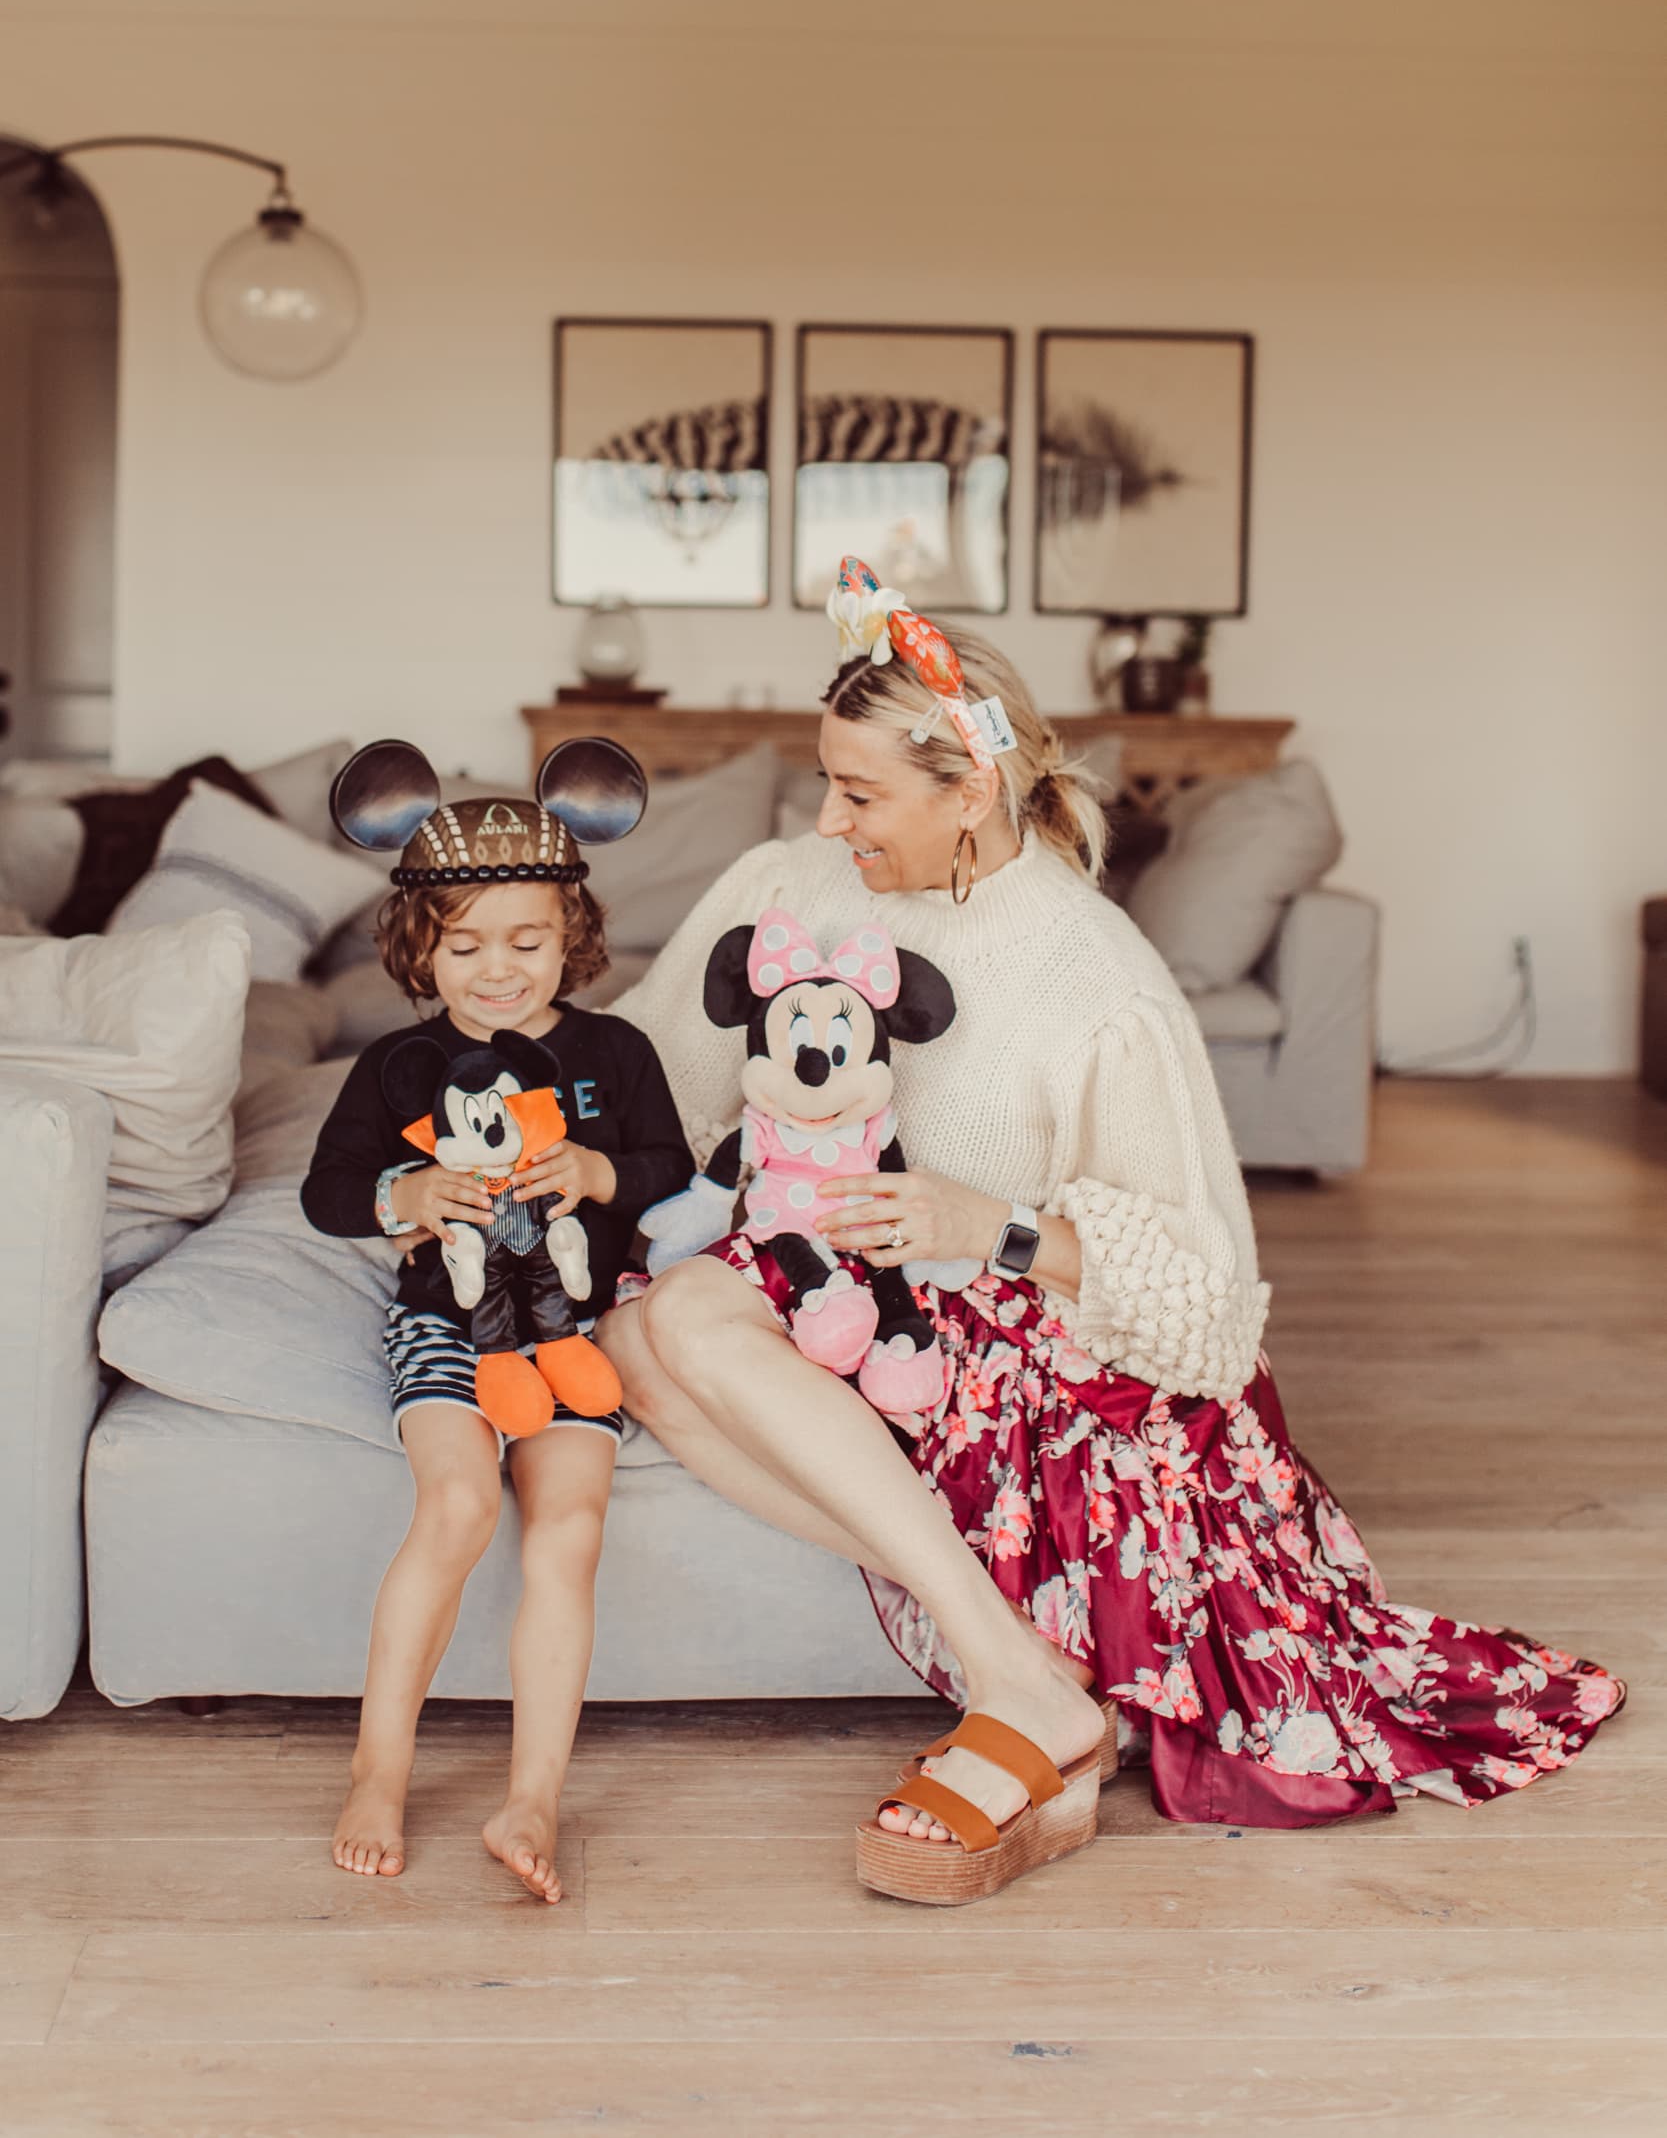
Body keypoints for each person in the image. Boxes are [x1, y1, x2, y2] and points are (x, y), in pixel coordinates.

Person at [605, 561, 1624, 1902]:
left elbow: (1205, 1289)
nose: (824, 817)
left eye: (856, 793)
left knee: (683, 1321)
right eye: (823, 782)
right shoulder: (792, 879)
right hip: (827, 1267)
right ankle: (1029, 1673)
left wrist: (990, 1224)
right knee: (640, 1320)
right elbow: (653, 1071)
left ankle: (1015, 1689)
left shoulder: (1093, 978)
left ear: (967, 789)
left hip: (1008, 1317)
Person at [302, 747, 691, 1899]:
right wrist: (404, 1195)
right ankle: (379, 1768)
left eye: (526, 942)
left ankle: (533, 1797)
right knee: (462, 1502)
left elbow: (671, 1164)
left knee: (568, 1529)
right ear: (419, 947)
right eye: (463, 946)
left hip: (573, 1329)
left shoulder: (615, 1053)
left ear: (571, 934)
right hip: (447, 1322)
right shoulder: (397, 1062)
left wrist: (599, 1170)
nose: (497, 971)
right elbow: (331, 1192)